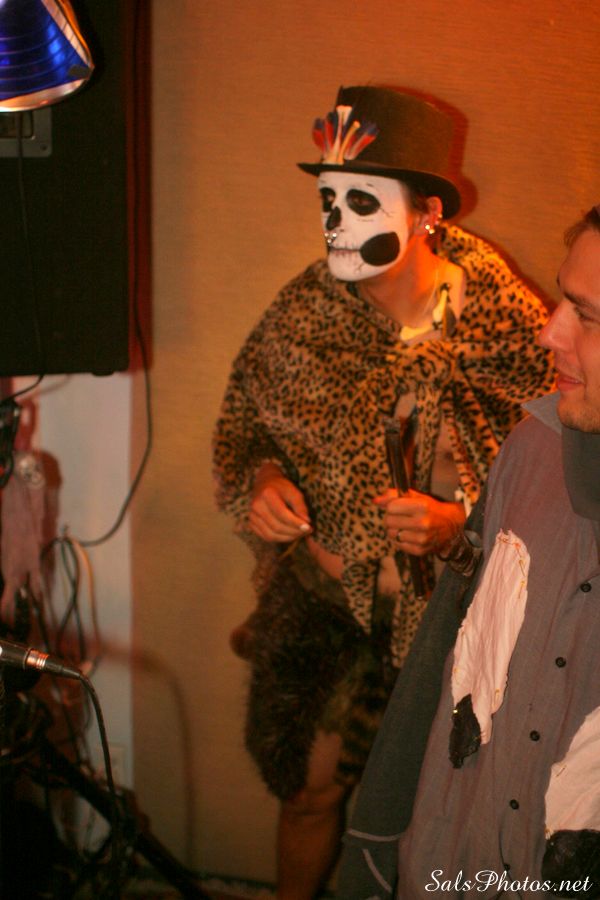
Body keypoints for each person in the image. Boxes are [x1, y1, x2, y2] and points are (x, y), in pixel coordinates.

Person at [212, 85, 553, 900]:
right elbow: (243, 428)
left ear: (428, 212)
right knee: (307, 794)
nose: (336, 222)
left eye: (361, 200)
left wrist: (458, 523)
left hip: (455, 628)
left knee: (436, 817)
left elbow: (554, 481)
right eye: (327, 200)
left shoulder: (504, 322)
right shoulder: (307, 314)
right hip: (330, 612)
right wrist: (263, 482)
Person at [337, 204, 600, 899]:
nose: (550, 332)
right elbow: (451, 652)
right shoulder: (533, 447)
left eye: (587, 316)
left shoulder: (491, 302)